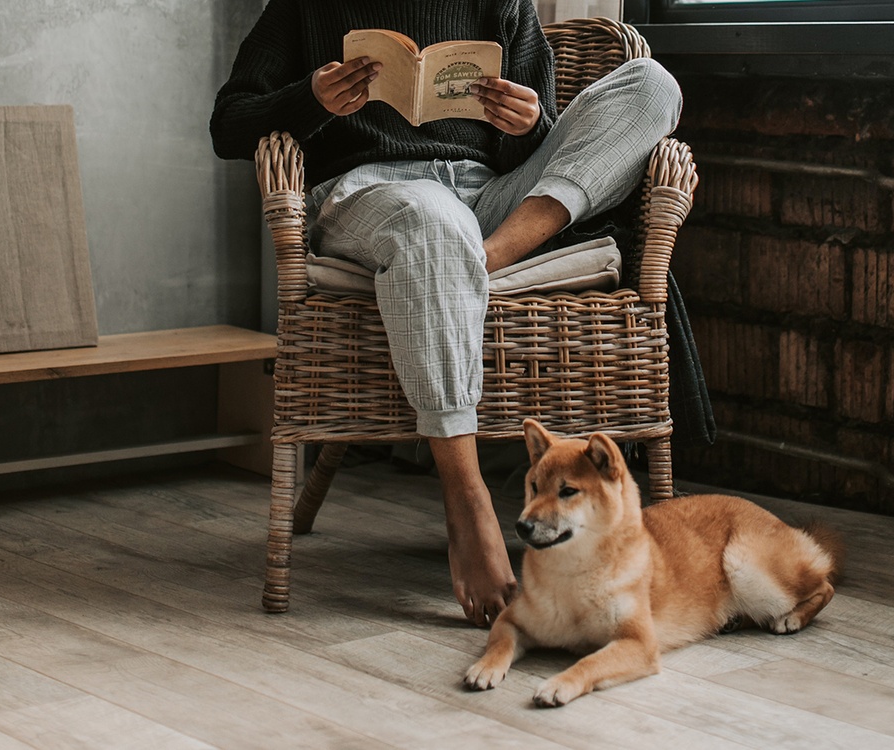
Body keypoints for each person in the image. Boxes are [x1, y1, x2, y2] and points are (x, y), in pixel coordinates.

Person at [210, 0, 683, 627]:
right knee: (432, 221)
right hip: (373, 194)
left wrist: (529, 122)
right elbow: (229, 126)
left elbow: (541, 146)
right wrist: (311, 99)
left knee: (653, 84)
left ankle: (482, 260)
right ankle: (467, 498)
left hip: (491, 200)